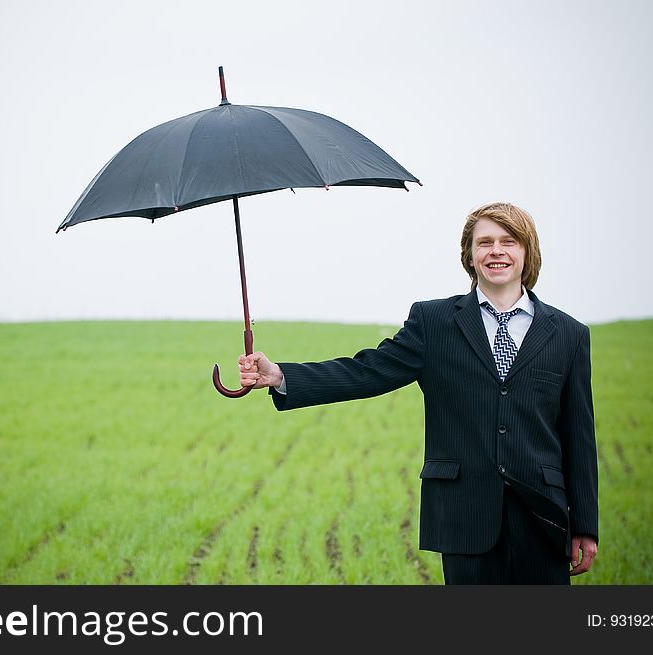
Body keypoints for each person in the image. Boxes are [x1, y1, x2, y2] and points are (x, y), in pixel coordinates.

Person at [238, 202, 598, 584]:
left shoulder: (569, 335)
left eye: (509, 242)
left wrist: (586, 525)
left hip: (543, 518)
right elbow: (368, 371)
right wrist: (280, 376)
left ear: (527, 253)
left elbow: (579, 436)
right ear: (470, 256)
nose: (496, 251)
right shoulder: (434, 322)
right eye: (484, 242)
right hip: (465, 517)